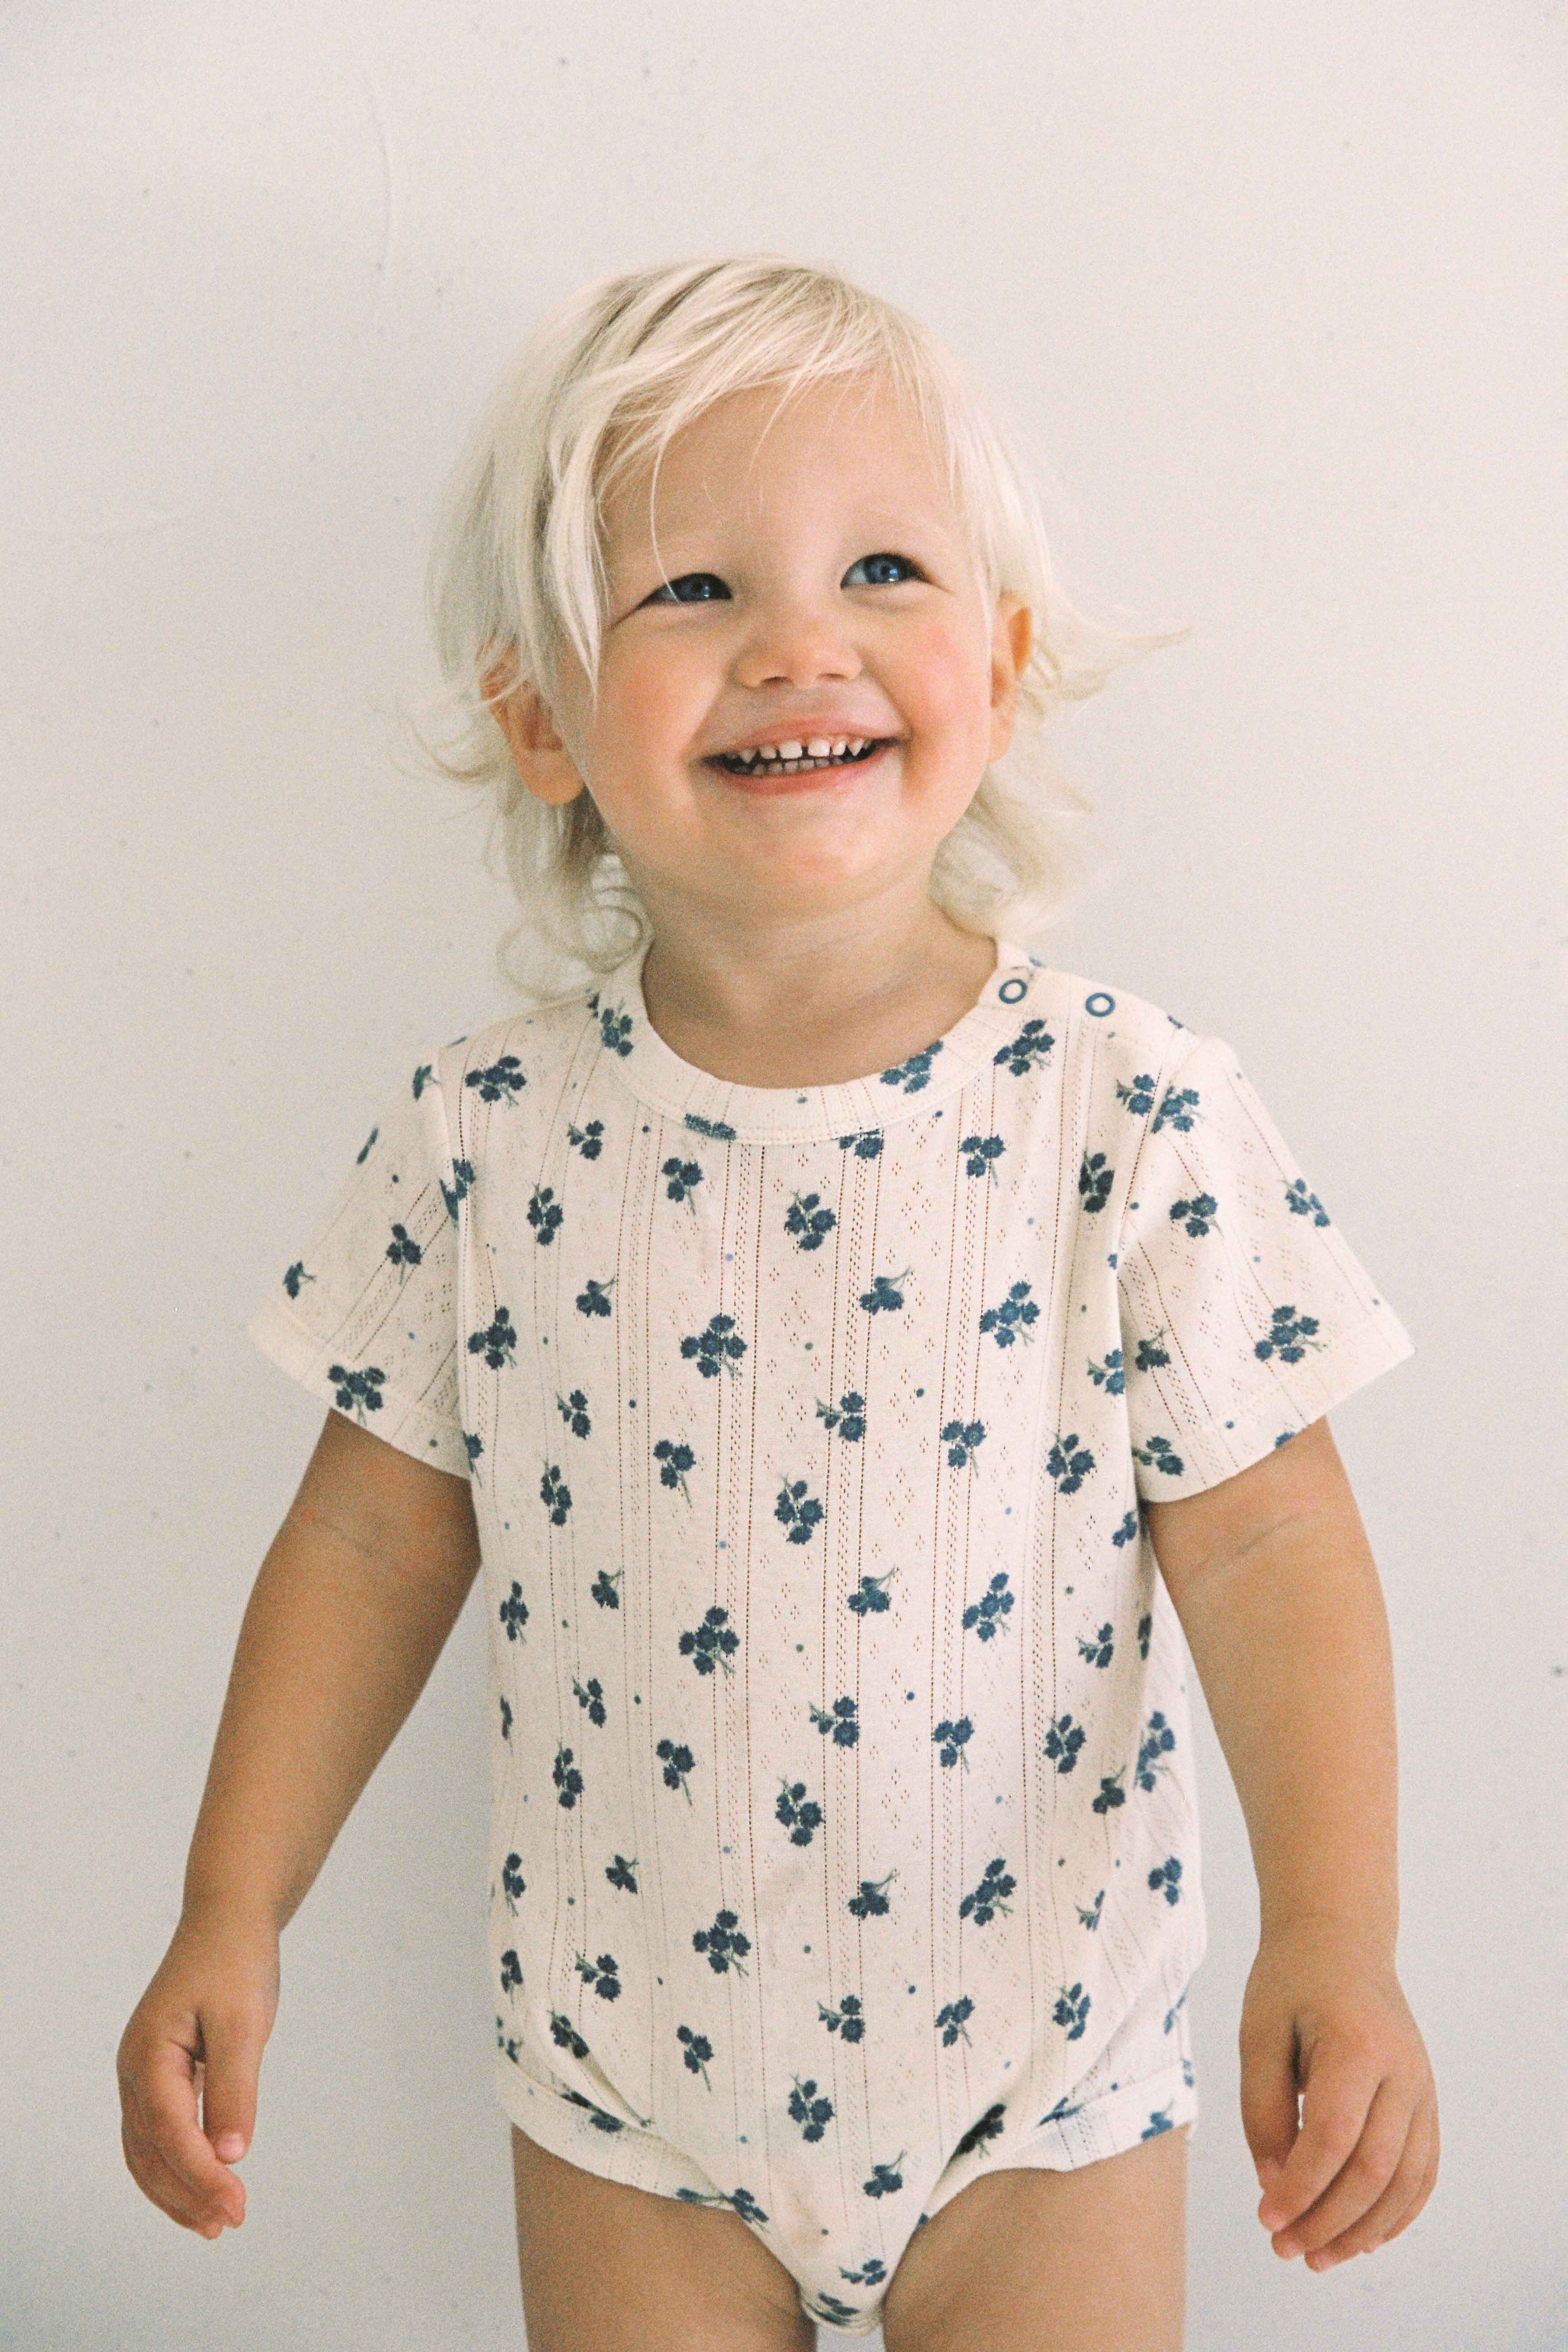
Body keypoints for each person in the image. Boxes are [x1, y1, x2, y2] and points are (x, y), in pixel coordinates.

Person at [117, 255, 1438, 2351]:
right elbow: (368, 1537)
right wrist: (227, 1909)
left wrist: (1339, 1934)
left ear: (993, 668)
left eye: (883, 568)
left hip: (1042, 2083)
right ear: (540, 717)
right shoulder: (481, 1143)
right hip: (632, 2092)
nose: (797, 643)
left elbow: (1272, 1536)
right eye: (690, 593)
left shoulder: (1133, 1109)